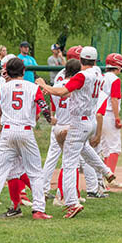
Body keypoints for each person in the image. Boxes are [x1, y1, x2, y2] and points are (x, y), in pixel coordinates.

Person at [36, 46, 116, 219]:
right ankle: (106, 171)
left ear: (81, 60)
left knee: (69, 163)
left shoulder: (82, 75)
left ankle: (72, 202)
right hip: (89, 120)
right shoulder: (97, 72)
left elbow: (63, 91)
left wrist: (44, 85)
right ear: (95, 61)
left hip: (78, 121)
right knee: (84, 148)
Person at [0, 58, 54, 221]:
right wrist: (49, 118)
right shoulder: (32, 87)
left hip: (7, 131)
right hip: (25, 131)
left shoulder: (1, 88)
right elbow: (42, 107)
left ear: (7, 72)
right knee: (35, 173)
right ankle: (38, 210)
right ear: (24, 72)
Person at [42, 45, 83, 200]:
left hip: (59, 119)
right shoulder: (78, 78)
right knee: (71, 160)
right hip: (70, 122)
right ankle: (64, 193)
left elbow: (54, 95)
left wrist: (52, 115)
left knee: (54, 156)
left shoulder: (60, 76)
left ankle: (46, 189)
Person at [101, 53, 122, 188]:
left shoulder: (101, 77)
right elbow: (114, 99)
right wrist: (117, 117)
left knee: (105, 148)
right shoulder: (115, 80)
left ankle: (103, 180)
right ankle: (109, 179)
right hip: (110, 114)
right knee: (114, 147)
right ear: (117, 65)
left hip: (99, 114)